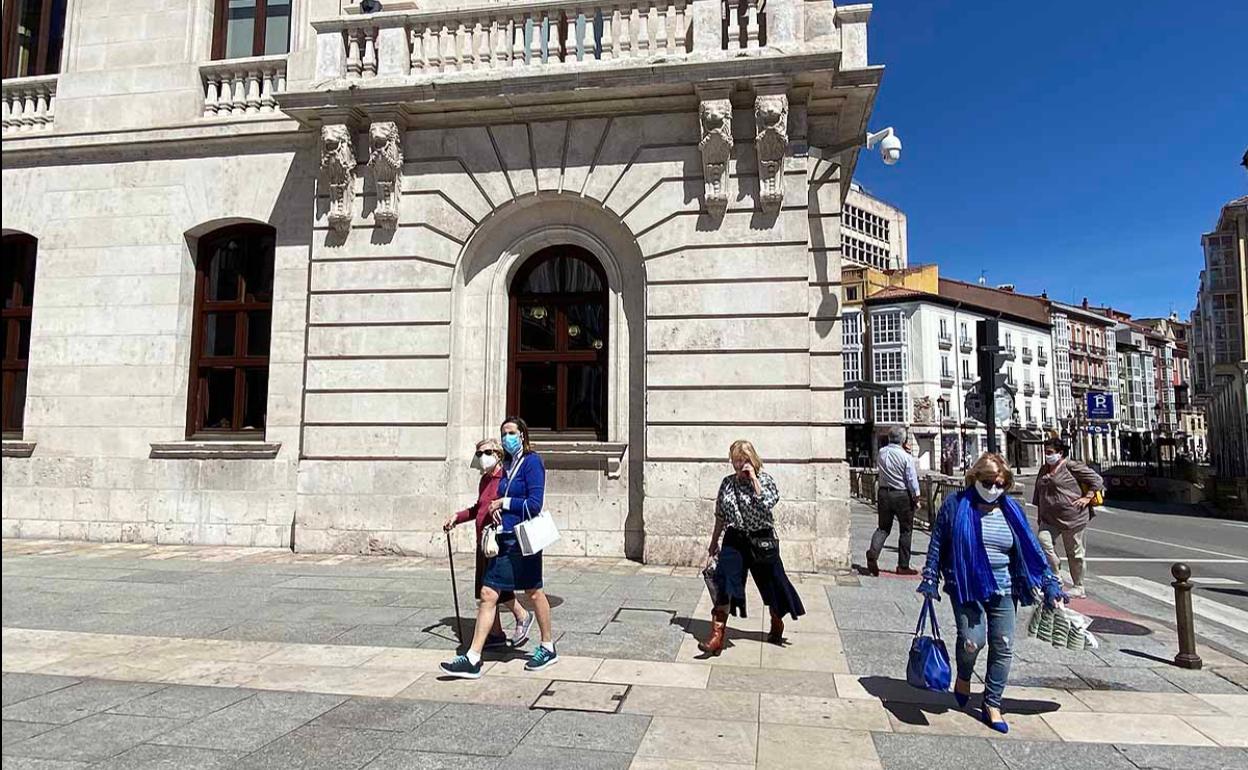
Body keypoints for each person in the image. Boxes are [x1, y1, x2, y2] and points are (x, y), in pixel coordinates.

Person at [918, 452, 1066, 734]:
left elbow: (1031, 550)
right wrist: (929, 578)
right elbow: (937, 543)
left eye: (1000, 484)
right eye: (988, 482)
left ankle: (992, 702)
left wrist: (1050, 584)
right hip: (966, 586)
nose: (994, 489)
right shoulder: (955, 505)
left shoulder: (1011, 510)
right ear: (975, 478)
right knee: (972, 641)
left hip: (1005, 586)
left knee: (1004, 643)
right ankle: (963, 675)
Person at [441, 417, 558, 678]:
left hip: (522, 540)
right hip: (505, 537)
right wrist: (496, 513)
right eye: (504, 433)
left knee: (534, 593)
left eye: (512, 432)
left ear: (523, 435)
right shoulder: (508, 465)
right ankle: (472, 658)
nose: (508, 437)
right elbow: (491, 503)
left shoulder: (532, 462)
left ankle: (548, 645)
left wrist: (502, 504)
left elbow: (534, 504)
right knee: (488, 593)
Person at [699, 440, 805, 655]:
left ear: (753, 459)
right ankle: (717, 636)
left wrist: (754, 479)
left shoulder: (765, 480)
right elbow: (720, 515)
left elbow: (768, 502)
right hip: (734, 539)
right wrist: (713, 543)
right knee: (725, 582)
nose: (739, 465)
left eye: (744, 460)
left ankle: (777, 621)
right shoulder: (727, 483)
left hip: (761, 540)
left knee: (773, 585)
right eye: (736, 460)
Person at [442, 438, 534, 650]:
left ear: (498, 454)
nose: (482, 457)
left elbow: (515, 505)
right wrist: (457, 517)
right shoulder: (485, 480)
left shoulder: (506, 478)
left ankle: (521, 615)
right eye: (478, 453)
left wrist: (503, 512)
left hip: (499, 541)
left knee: (493, 587)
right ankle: (496, 633)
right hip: (483, 541)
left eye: (486, 452)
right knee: (487, 588)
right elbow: (478, 509)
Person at [1032, 437, 1104, 599]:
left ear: (1060, 453)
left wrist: (1087, 498)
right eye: (1046, 452)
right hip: (1049, 519)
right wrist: (1039, 515)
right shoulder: (1044, 469)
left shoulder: (1071, 466)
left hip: (1073, 517)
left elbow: (1097, 480)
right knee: (1043, 542)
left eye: (1050, 452)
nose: (1047, 456)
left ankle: (1079, 586)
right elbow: (1039, 494)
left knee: (1075, 553)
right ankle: (1056, 575)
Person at [867, 426, 920, 576]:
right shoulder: (906, 457)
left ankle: (873, 552)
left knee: (883, 528)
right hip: (902, 494)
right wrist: (916, 497)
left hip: (884, 492)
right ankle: (903, 565)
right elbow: (911, 479)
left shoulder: (882, 453)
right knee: (906, 530)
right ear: (903, 440)